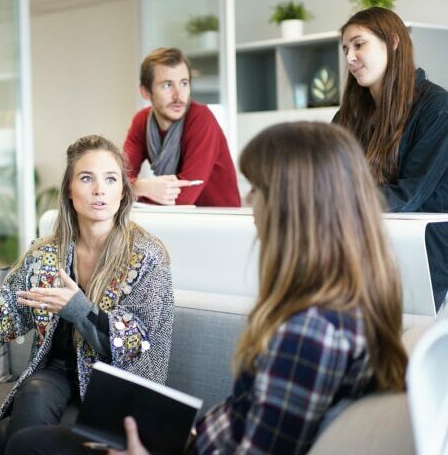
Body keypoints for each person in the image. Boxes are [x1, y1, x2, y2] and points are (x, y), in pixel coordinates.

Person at [21, 122, 408, 455]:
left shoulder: (308, 334)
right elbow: (246, 423)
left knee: (30, 444)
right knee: (24, 435)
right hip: (193, 441)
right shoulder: (345, 307)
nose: (250, 201)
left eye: (257, 188)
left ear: (295, 206)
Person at [0, 135, 174, 454]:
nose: (99, 189)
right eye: (86, 178)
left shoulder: (147, 255)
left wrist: (78, 308)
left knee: (7, 436)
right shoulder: (46, 253)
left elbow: (134, 343)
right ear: (70, 192)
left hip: (118, 385)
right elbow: (1, 316)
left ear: (122, 192)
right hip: (59, 373)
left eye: (111, 179)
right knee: (33, 391)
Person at [336, 7, 448, 311]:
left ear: (393, 42)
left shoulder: (437, 107)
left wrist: (333, 201)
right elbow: (326, 177)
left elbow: (409, 194)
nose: (349, 58)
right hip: (362, 255)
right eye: (346, 48)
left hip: (422, 262)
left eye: (359, 45)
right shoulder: (347, 116)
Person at [123, 47, 240, 207]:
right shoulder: (141, 121)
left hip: (219, 221)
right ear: (145, 92)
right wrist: (139, 187)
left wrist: (134, 190)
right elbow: (116, 180)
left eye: (184, 83)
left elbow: (184, 197)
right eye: (167, 85)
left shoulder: (201, 118)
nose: (178, 95)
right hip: (176, 220)